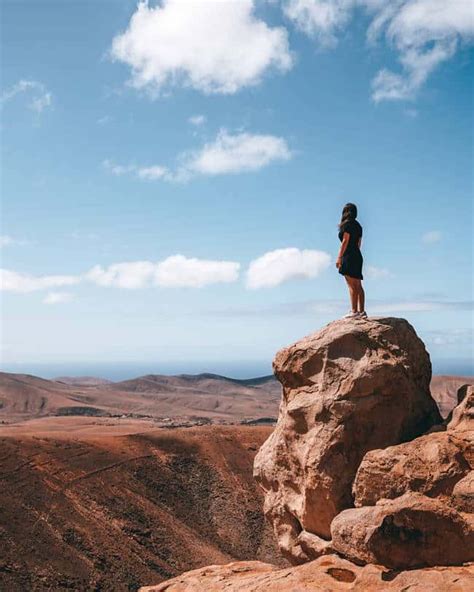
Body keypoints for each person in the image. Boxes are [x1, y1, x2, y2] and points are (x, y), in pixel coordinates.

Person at [336, 203, 367, 318]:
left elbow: (345, 241)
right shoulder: (359, 226)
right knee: (358, 285)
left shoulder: (346, 225)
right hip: (357, 255)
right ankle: (362, 311)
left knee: (351, 285)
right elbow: (359, 244)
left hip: (348, 255)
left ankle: (354, 311)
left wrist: (339, 257)